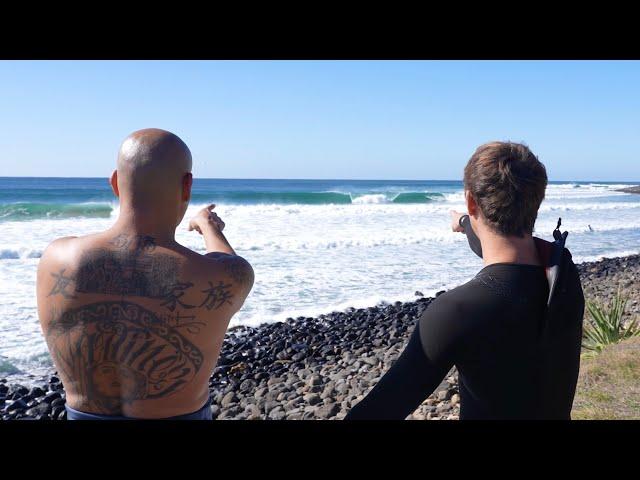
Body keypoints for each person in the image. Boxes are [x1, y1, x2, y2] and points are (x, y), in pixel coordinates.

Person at [345, 141, 585, 420]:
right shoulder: (563, 276)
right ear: (538, 199)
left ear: (472, 201)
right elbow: (501, 246)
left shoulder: (458, 311)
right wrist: (464, 222)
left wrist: (468, 219)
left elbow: (379, 410)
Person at [36, 128, 254, 420]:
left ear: (115, 182)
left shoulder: (57, 258)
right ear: (187, 186)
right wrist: (209, 226)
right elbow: (227, 261)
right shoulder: (226, 276)